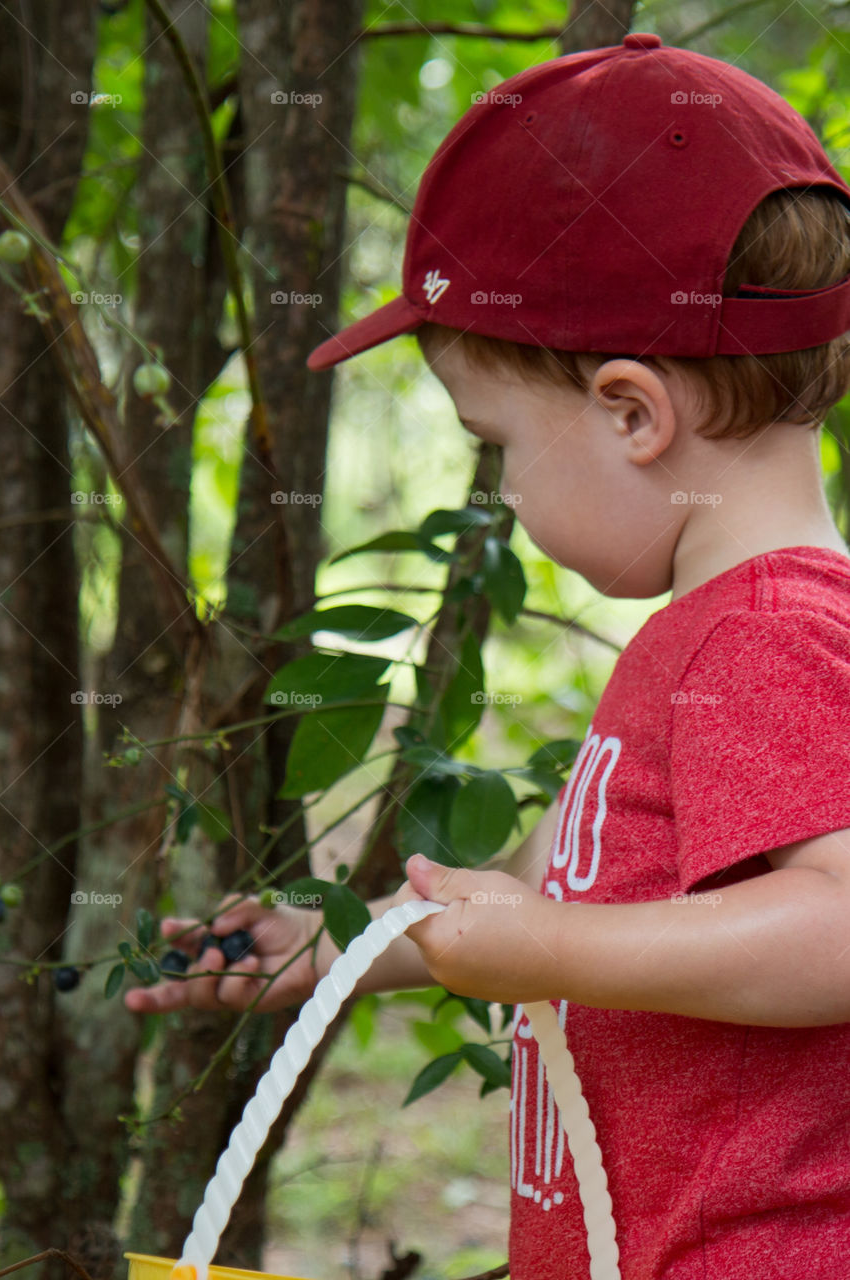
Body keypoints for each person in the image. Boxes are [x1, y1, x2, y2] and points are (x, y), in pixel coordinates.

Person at [125, 33, 850, 1279]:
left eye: (496, 439)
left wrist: (547, 954)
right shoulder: (702, 632)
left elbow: (836, 927)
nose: (504, 487)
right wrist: (354, 946)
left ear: (633, 413)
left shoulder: (765, 630)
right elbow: (587, 904)